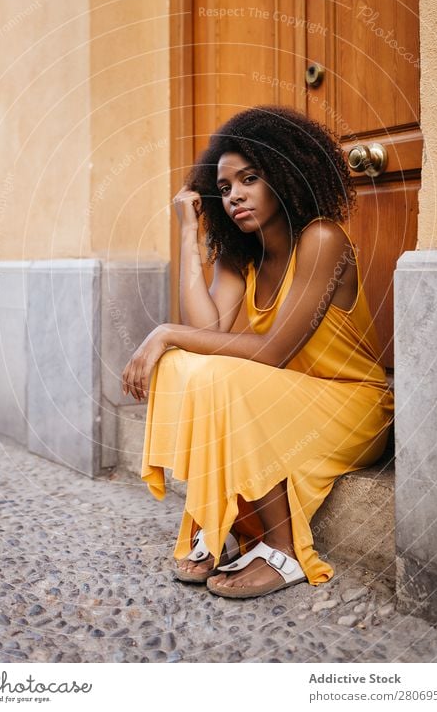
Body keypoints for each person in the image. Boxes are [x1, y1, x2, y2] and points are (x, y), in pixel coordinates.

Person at [121, 105, 394, 599]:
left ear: (286, 175)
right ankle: (215, 517)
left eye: (250, 179)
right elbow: (205, 332)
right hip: (288, 396)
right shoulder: (240, 257)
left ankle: (285, 553)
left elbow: (270, 352)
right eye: (224, 189)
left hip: (355, 404)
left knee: (221, 372)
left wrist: (163, 331)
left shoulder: (323, 239)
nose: (235, 197)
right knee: (187, 364)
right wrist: (189, 234)